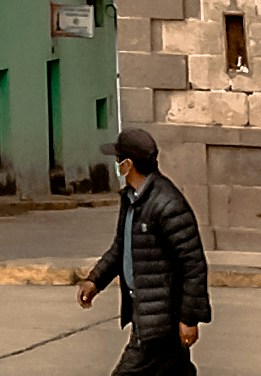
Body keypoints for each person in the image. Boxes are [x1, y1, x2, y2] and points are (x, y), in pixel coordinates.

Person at [74, 126, 208, 374]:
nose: (116, 165)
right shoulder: (132, 199)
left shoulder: (167, 204)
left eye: (118, 160)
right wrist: (95, 280)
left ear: (128, 164)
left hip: (160, 318)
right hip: (145, 309)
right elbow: (121, 247)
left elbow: (194, 265)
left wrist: (189, 319)